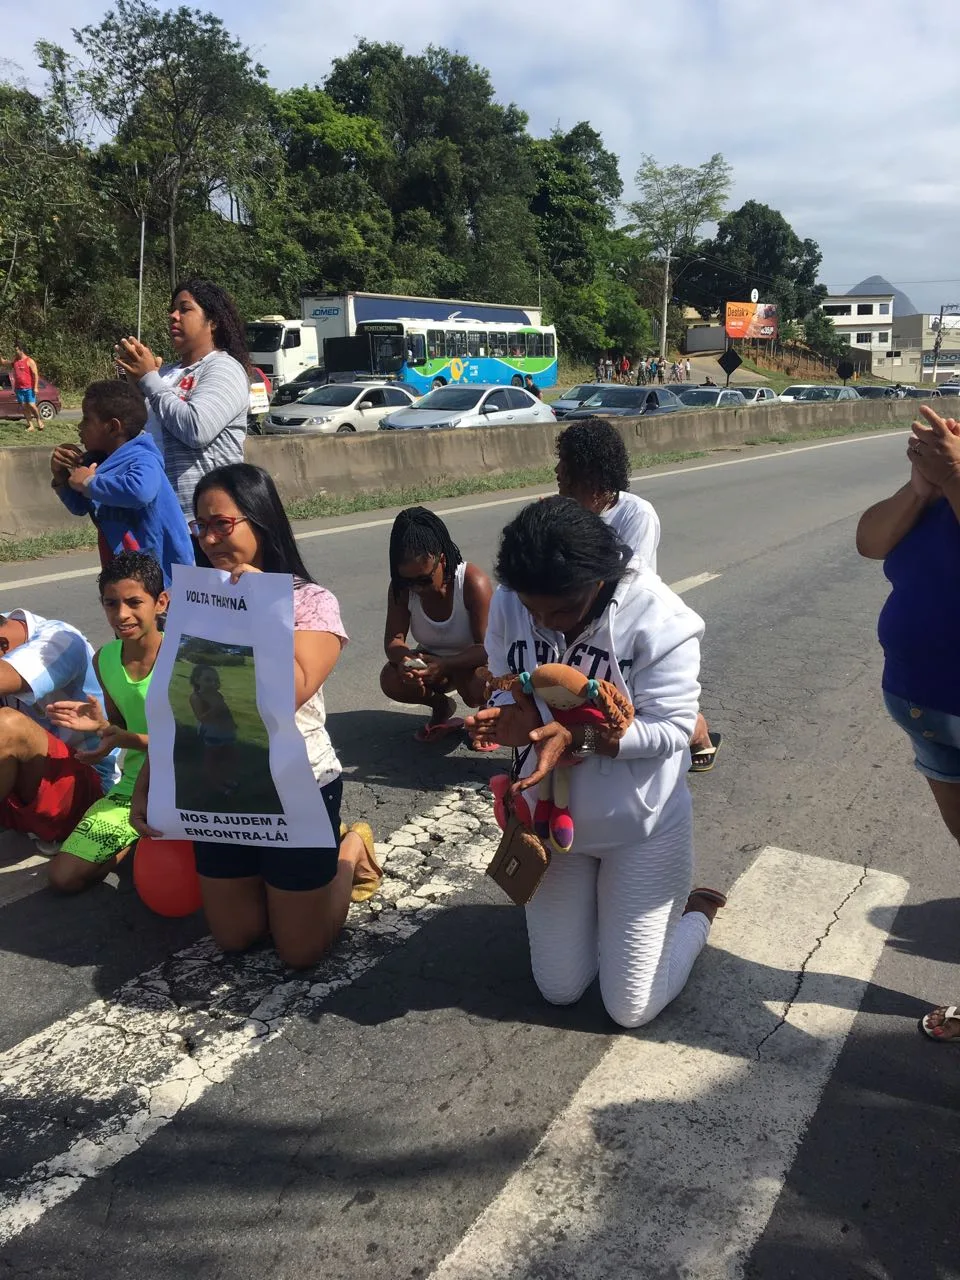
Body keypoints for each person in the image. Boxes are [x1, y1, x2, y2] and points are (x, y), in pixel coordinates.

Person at [467, 497, 724, 1028]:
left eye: (559, 610)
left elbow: (675, 729)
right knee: (560, 988)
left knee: (630, 1007)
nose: (541, 622)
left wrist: (583, 736)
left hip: (641, 830)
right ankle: (611, 919)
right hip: (552, 828)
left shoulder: (663, 619)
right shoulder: (514, 602)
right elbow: (506, 692)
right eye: (531, 609)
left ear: (600, 580)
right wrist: (498, 723)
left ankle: (694, 915)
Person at [131, 463, 381, 969]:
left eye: (223, 523)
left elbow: (288, 690)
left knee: (299, 952)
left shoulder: (311, 602)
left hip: (297, 784)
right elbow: (174, 704)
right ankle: (286, 888)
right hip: (219, 786)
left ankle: (349, 849)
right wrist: (149, 784)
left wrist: (257, 607)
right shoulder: (192, 604)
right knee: (236, 937)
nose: (210, 538)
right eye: (201, 526)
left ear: (260, 520)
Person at [856, 405, 960, 1042]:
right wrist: (923, 488)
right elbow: (869, 541)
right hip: (924, 711)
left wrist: (952, 480)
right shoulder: (928, 495)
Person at [554, 418, 721, 770]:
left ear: (590, 475)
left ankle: (696, 730)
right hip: (578, 622)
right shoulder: (564, 512)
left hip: (622, 619)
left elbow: (623, 575)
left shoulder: (636, 514)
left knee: (642, 704)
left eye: (566, 466)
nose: (557, 472)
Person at [45, 553, 167, 893]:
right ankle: (133, 847)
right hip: (132, 789)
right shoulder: (106, 658)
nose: (122, 614)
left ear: (161, 602)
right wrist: (101, 731)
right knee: (63, 877)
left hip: (184, 786)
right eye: (111, 604)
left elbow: (184, 741)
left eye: (134, 602)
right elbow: (118, 729)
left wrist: (120, 737)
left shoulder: (182, 656)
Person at [112, 278, 250, 566]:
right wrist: (135, 386)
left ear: (212, 322)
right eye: (172, 309)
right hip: (161, 521)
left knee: (209, 607)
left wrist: (149, 379)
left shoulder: (223, 368)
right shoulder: (166, 374)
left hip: (205, 524)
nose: (173, 316)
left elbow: (196, 429)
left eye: (184, 309)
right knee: (167, 610)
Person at [49, 380, 193, 587]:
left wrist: (89, 482)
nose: (79, 426)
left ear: (113, 427)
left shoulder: (141, 457)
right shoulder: (99, 461)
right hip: (125, 570)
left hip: (163, 574)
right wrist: (61, 475)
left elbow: (141, 491)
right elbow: (80, 506)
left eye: (87, 419)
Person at [0, 608, 117, 853]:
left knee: (8, 725)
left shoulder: (60, 639)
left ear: (3, 646)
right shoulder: (5, 625)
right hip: (23, 784)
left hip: (82, 786)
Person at [380, 507, 494, 744]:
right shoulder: (401, 589)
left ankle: (487, 716)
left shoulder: (472, 582)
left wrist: (445, 664)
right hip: (431, 663)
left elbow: (488, 648)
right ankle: (441, 707)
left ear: (441, 560)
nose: (416, 588)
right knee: (391, 678)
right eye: (407, 581)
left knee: (479, 686)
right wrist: (406, 662)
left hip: (473, 664)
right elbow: (394, 640)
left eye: (423, 580)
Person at [0, 344, 44, 432]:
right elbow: (3, 362)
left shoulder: (29, 361)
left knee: (31, 405)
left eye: (16, 350)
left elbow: (35, 374)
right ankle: (31, 425)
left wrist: (35, 387)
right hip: (18, 388)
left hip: (29, 388)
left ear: (21, 350)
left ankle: (39, 420)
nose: (15, 352)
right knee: (24, 406)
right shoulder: (15, 361)